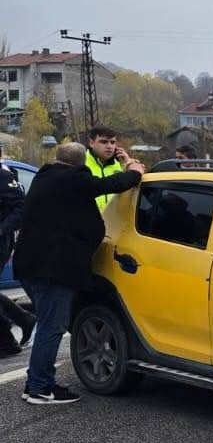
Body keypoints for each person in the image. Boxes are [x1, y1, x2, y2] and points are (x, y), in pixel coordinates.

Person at [13, 141, 144, 405]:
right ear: (81, 162)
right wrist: (135, 171)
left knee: (48, 326)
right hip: (54, 269)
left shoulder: (44, 177)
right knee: (52, 328)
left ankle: (35, 383)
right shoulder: (74, 179)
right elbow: (110, 185)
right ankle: (40, 387)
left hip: (30, 265)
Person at [0, 164, 36, 355]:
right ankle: (23, 319)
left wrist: (2, 229)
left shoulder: (4, 176)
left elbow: (20, 209)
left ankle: (6, 341)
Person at [85, 125, 129, 211]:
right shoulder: (81, 163)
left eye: (112, 142)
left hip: (116, 220)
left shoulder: (120, 163)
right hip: (89, 221)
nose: (109, 146)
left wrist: (127, 165)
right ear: (91, 143)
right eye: (104, 142)